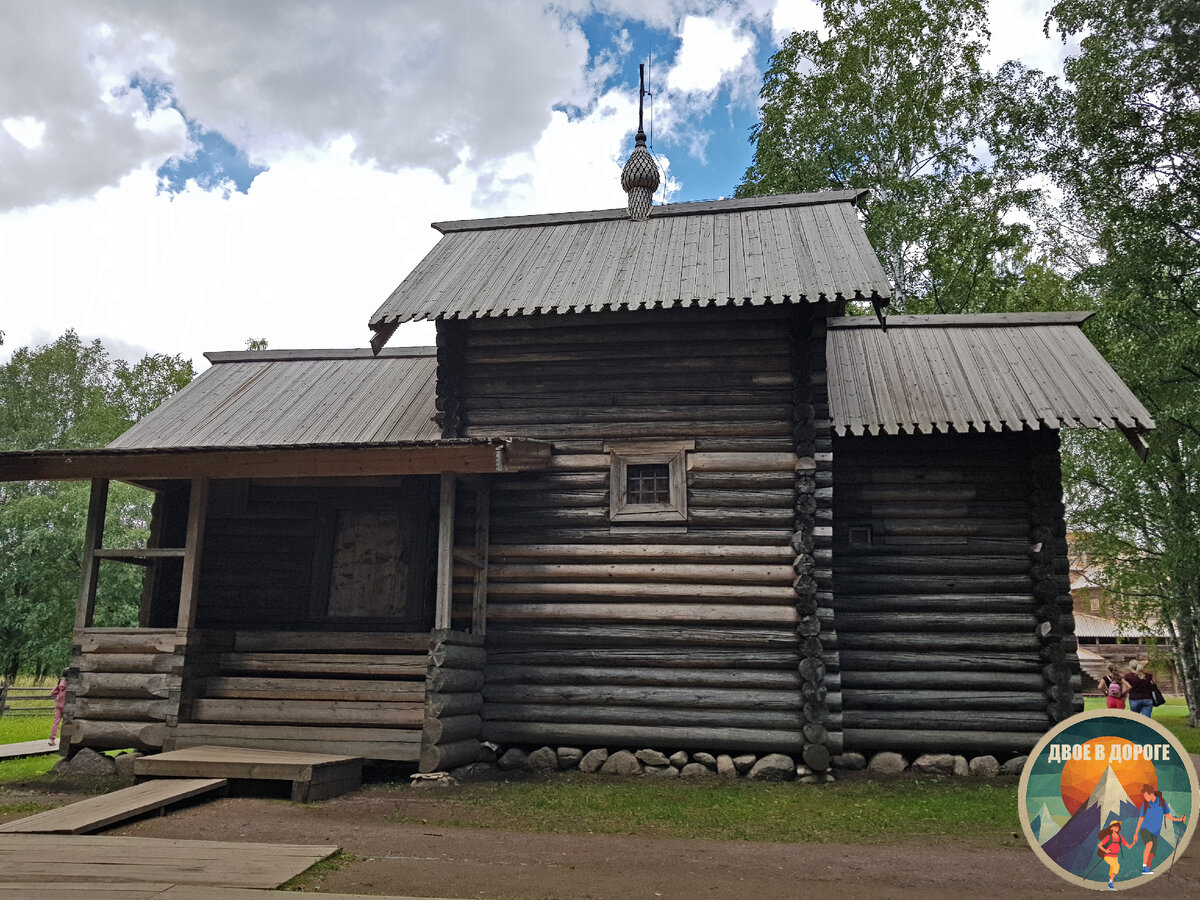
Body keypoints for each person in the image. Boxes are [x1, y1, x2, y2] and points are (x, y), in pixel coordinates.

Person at [1132, 785, 1186, 875]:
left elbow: (1168, 816)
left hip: (1156, 831)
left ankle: (1147, 869)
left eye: (1145, 795)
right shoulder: (1145, 804)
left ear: (1151, 794)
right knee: (1149, 844)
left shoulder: (1161, 802)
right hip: (1145, 828)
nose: (1144, 798)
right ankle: (1144, 867)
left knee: (1153, 851)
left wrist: (1180, 820)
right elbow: (1141, 818)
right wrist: (1136, 833)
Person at [1097, 820, 1134, 889]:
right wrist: (1105, 850)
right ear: (1111, 828)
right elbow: (1099, 845)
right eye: (1115, 826)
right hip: (1108, 856)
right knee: (1116, 866)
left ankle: (1110, 881)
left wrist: (1134, 842)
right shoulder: (1108, 837)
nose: (1117, 827)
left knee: (1112, 869)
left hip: (1115, 857)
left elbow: (1128, 846)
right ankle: (1110, 883)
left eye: (1118, 826)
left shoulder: (1120, 837)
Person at [48, 668, 67, 745]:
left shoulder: (60, 682)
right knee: (66, 723)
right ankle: (65, 740)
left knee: (55, 723)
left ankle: (51, 739)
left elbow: (53, 693)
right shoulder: (72, 684)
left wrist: (59, 693)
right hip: (67, 706)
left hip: (58, 705)